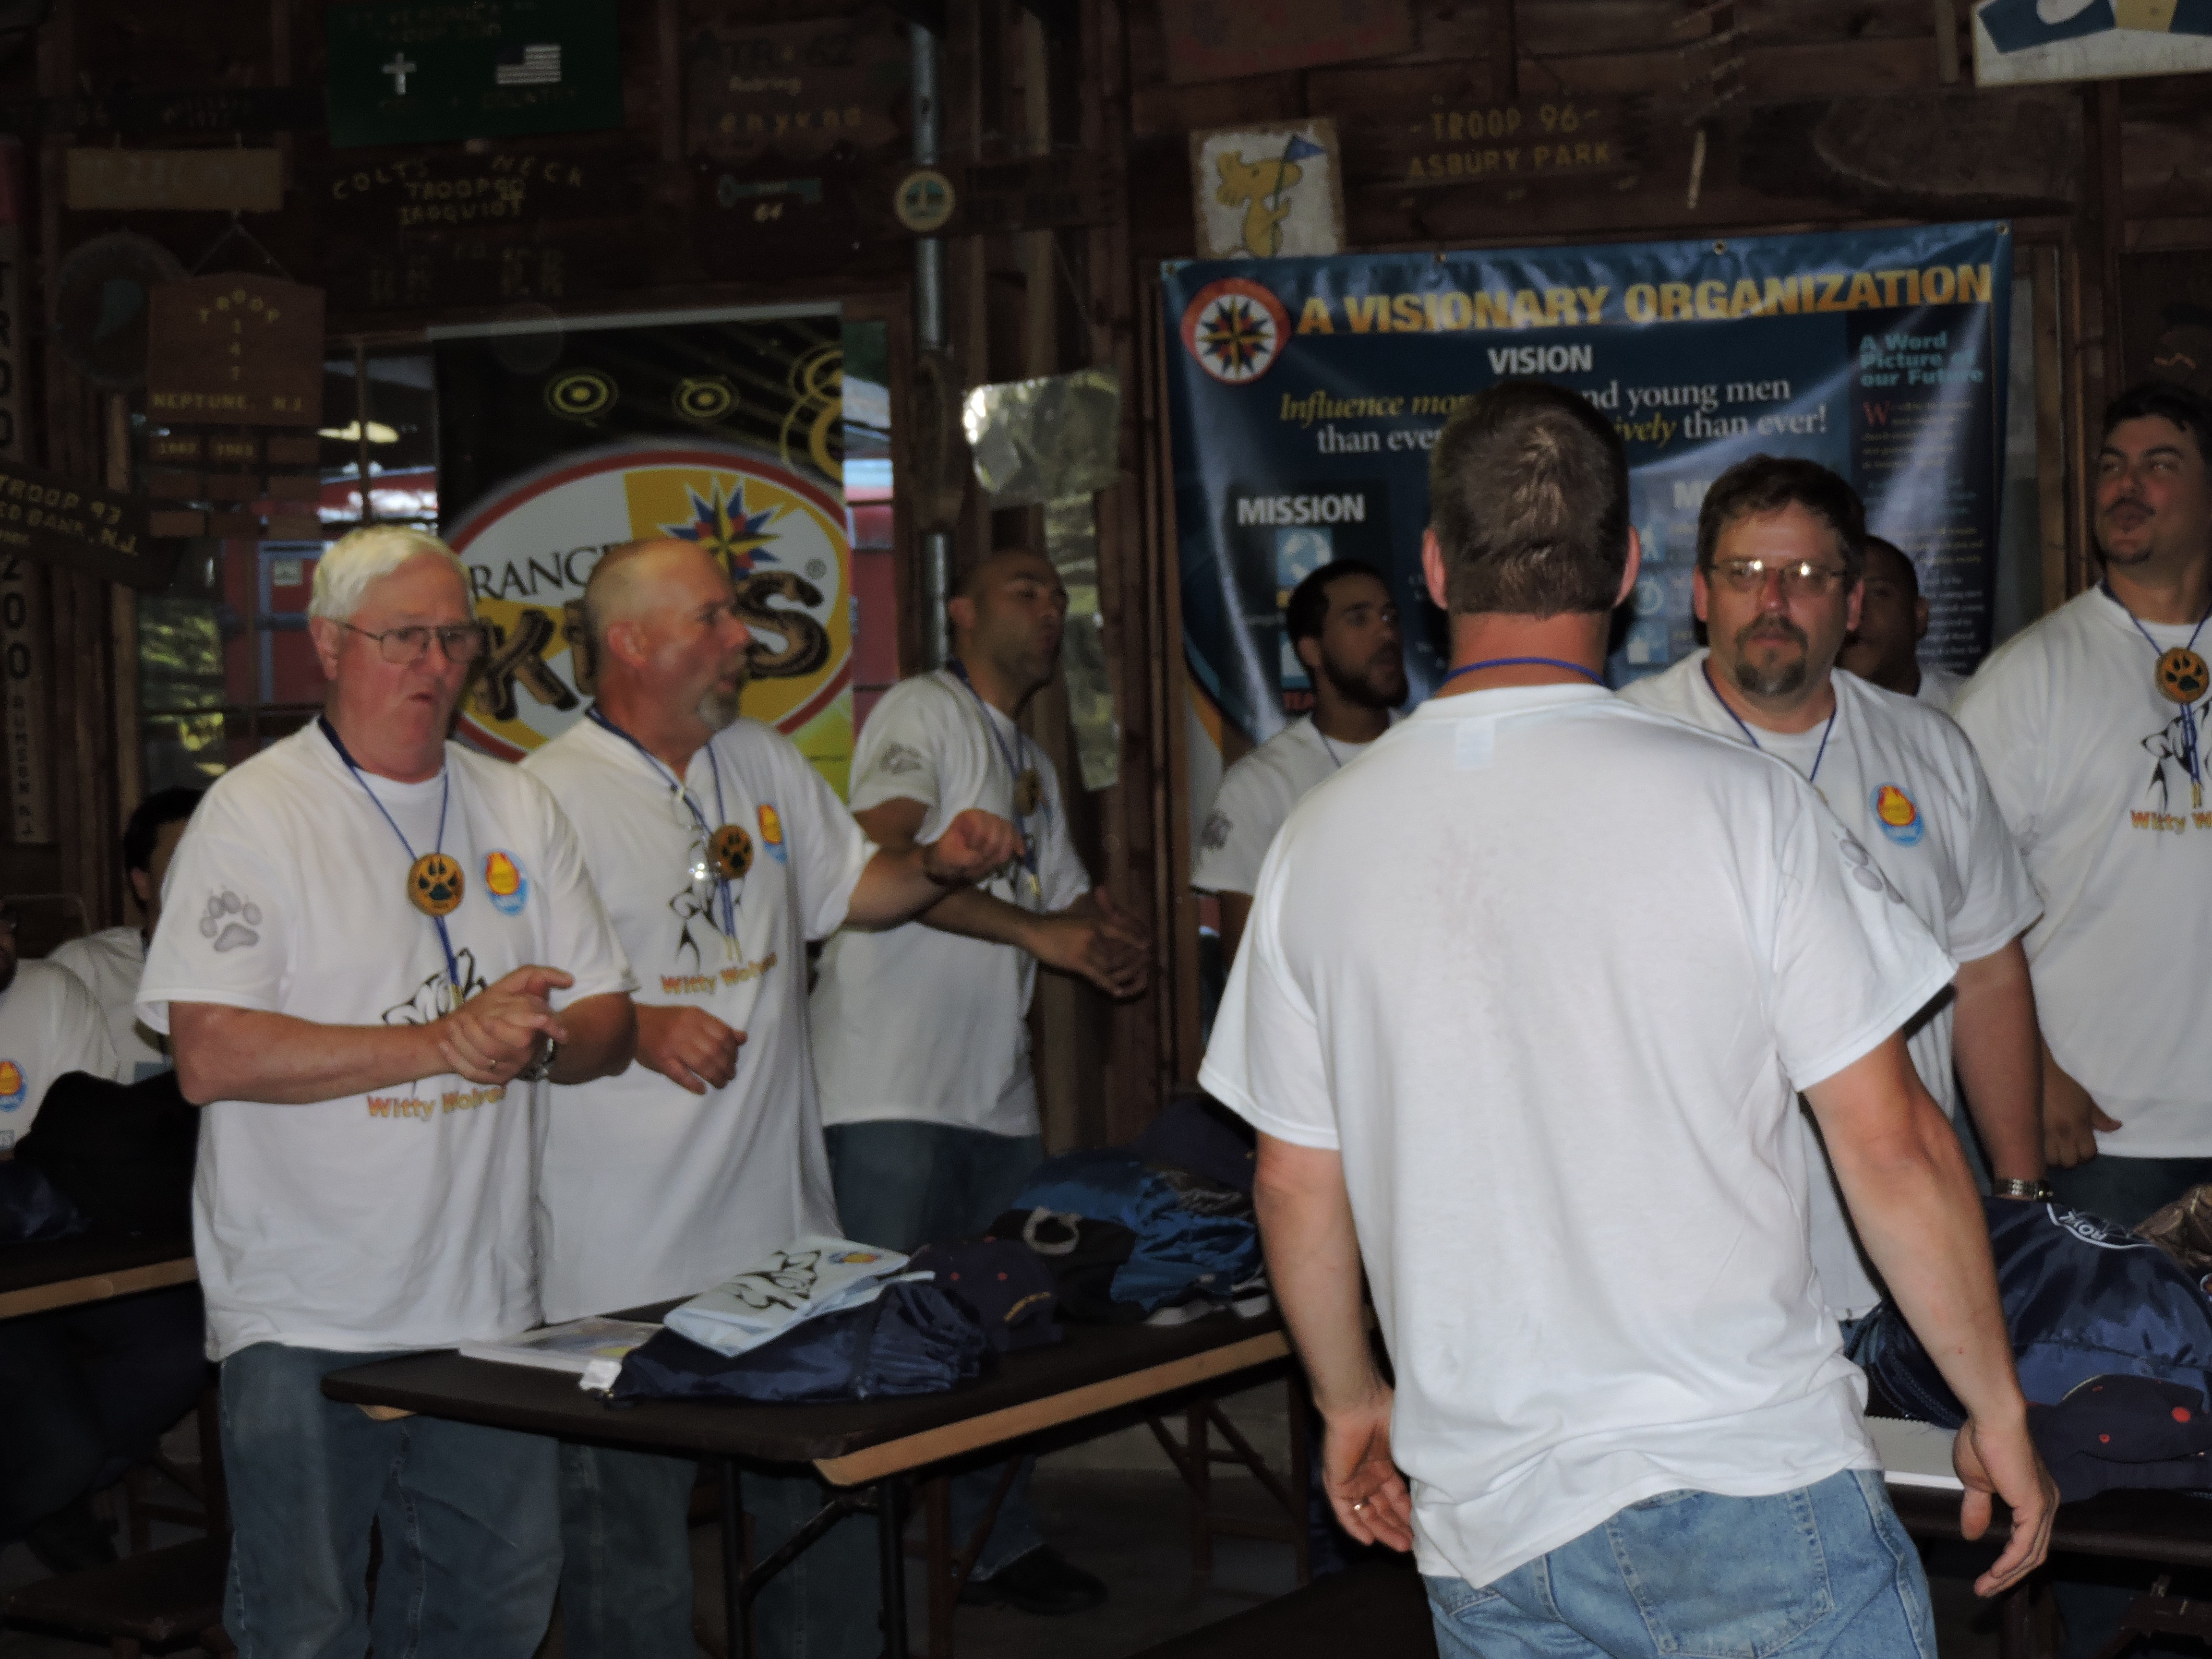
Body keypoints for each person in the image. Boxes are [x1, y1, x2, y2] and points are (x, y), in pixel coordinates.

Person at [1201, 381, 2054, 1658]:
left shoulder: (1317, 842)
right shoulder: (1746, 806)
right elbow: (1892, 1143)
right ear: (1631, 571)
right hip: (1749, 1477)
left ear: (1435, 568)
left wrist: (1349, 1396)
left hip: (1492, 1525)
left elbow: (1290, 1182)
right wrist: (1995, 1402)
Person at [137, 525, 638, 1659]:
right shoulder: (256, 812)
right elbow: (210, 1054)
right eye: (404, 637)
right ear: (327, 643)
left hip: (488, 1301)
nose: (435, 663)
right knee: (307, 1628)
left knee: (499, 1609)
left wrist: (540, 1047)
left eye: (455, 637)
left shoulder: (520, 804)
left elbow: (610, 1019)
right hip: (307, 1306)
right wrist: (443, 1043)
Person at [522, 539, 1021, 1659]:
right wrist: (640, 1025)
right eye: (710, 617)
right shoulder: (541, 799)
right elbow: (520, 1010)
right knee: (630, 1558)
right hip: (613, 1264)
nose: (741, 635)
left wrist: (938, 864)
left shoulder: (763, 758)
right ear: (630, 642)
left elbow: (856, 889)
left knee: (820, 1526)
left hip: (784, 1244)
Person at [1622, 457, 2047, 1329]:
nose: (1772, 599)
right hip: (1696, 1273)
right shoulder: (1625, 748)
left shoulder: (1929, 747)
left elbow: (1989, 974)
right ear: (1701, 594)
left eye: (1808, 576)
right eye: (1744, 572)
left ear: (1852, 604)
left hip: (1907, 1260)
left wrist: (2017, 1194)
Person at [809, 548, 1147, 1616]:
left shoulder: (1027, 756)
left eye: (1058, 593)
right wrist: (1041, 936)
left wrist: (1102, 937)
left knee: (999, 1330)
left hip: (993, 1092)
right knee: (870, 1338)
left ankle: (996, 1539)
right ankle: (845, 1569)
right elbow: (876, 858)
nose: (1048, 607)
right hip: (890, 1086)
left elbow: (1066, 903)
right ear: (959, 610)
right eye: (1022, 590)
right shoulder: (924, 709)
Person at [1956, 382, 2212, 1230]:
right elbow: (1955, 900)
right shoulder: (2027, 679)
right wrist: (2030, 1070)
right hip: (2102, 1131)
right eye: (2110, 466)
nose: (2124, 485)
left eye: (2158, 464)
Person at [0, 894, 195, 1576]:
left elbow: (86, 1147)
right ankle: (53, 1484)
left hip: (66, 1234)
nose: (3, 937)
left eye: (3, 919)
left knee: (181, 1346)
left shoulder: (51, 990)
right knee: (61, 1446)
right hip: (17, 1267)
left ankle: (49, 1495)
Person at [1193, 558, 1407, 965]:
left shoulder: (1434, 756)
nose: (1386, 632)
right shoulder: (1260, 785)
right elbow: (1246, 959)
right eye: (1359, 619)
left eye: (1390, 617)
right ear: (1312, 650)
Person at [51, 787, 201, 1082]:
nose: (205, 876)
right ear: (143, 883)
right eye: (184, 862)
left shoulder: (263, 970)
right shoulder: (86, 968)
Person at [1837, 536, 1969, 710]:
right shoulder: (1803, 715)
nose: (1856, 611)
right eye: (1844, 594)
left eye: (1879, 593)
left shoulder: (1973, 706)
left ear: (1919, 615)